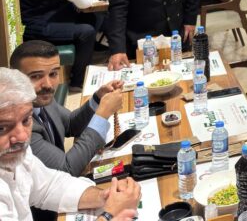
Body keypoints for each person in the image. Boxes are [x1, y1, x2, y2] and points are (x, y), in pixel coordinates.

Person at [0, 67, 141, 221]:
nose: (22, 136)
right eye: (2, 128)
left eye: (26, 120)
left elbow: (49, 186)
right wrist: (108, 215)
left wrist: (105, 196)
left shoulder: (14, 151)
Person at [10, 41, 124, 185]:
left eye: (53, 74)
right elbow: (67, 169)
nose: (48, 85)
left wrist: (97, 99)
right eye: (36, 76)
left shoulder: (39, 97)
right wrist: (102, 115)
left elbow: (70, 124)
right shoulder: (17, 126)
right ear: (15, 78)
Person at [20, 0, 98, 89]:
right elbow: (86, 2)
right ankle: (78, 81)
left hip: (49, 18)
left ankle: (90, 56)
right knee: (86, 32)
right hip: (37, 26)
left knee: (90, 17)